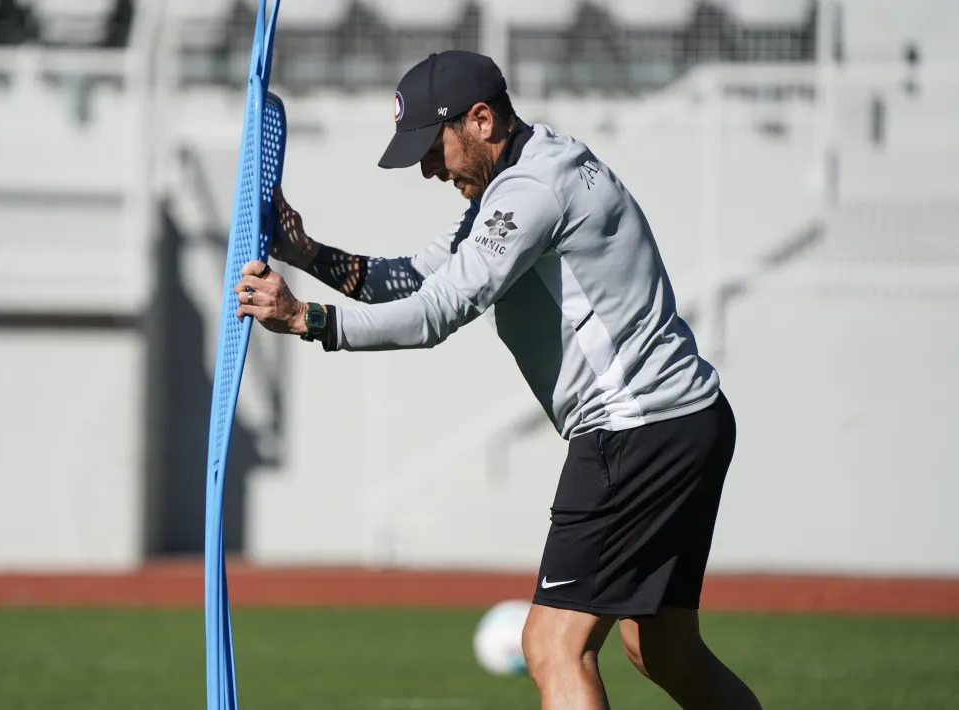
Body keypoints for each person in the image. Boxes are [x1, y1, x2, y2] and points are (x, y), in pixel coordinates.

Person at [232, 50, 762, 710]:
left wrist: (305, 318)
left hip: (636, 430)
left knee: (554, 646)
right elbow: (416, 278)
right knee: (663, 649)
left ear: (481, 120)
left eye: (433, 148)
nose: (428, 169)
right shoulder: (525, 171)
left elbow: (436, 312)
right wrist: (307, 253)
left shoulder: (529, 191)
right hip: (690, 420)